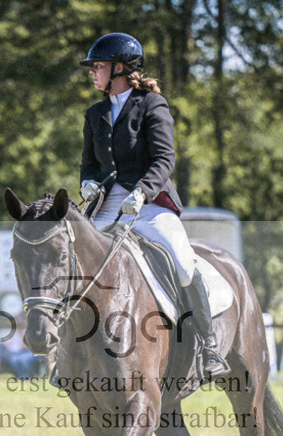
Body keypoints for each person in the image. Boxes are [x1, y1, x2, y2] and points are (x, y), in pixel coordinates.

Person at [78, 32, 228, 377]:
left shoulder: (151, 105)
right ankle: (67, 353)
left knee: (182, 262)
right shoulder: (94, 113)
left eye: (98, 66)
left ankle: (209, 347)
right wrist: (86, 182)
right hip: (106, 204)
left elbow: (163, 159)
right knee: (75, 259)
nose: (92, 72)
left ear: (120, 69)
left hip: (149, 201)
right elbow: (89, 163)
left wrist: (142, 192)